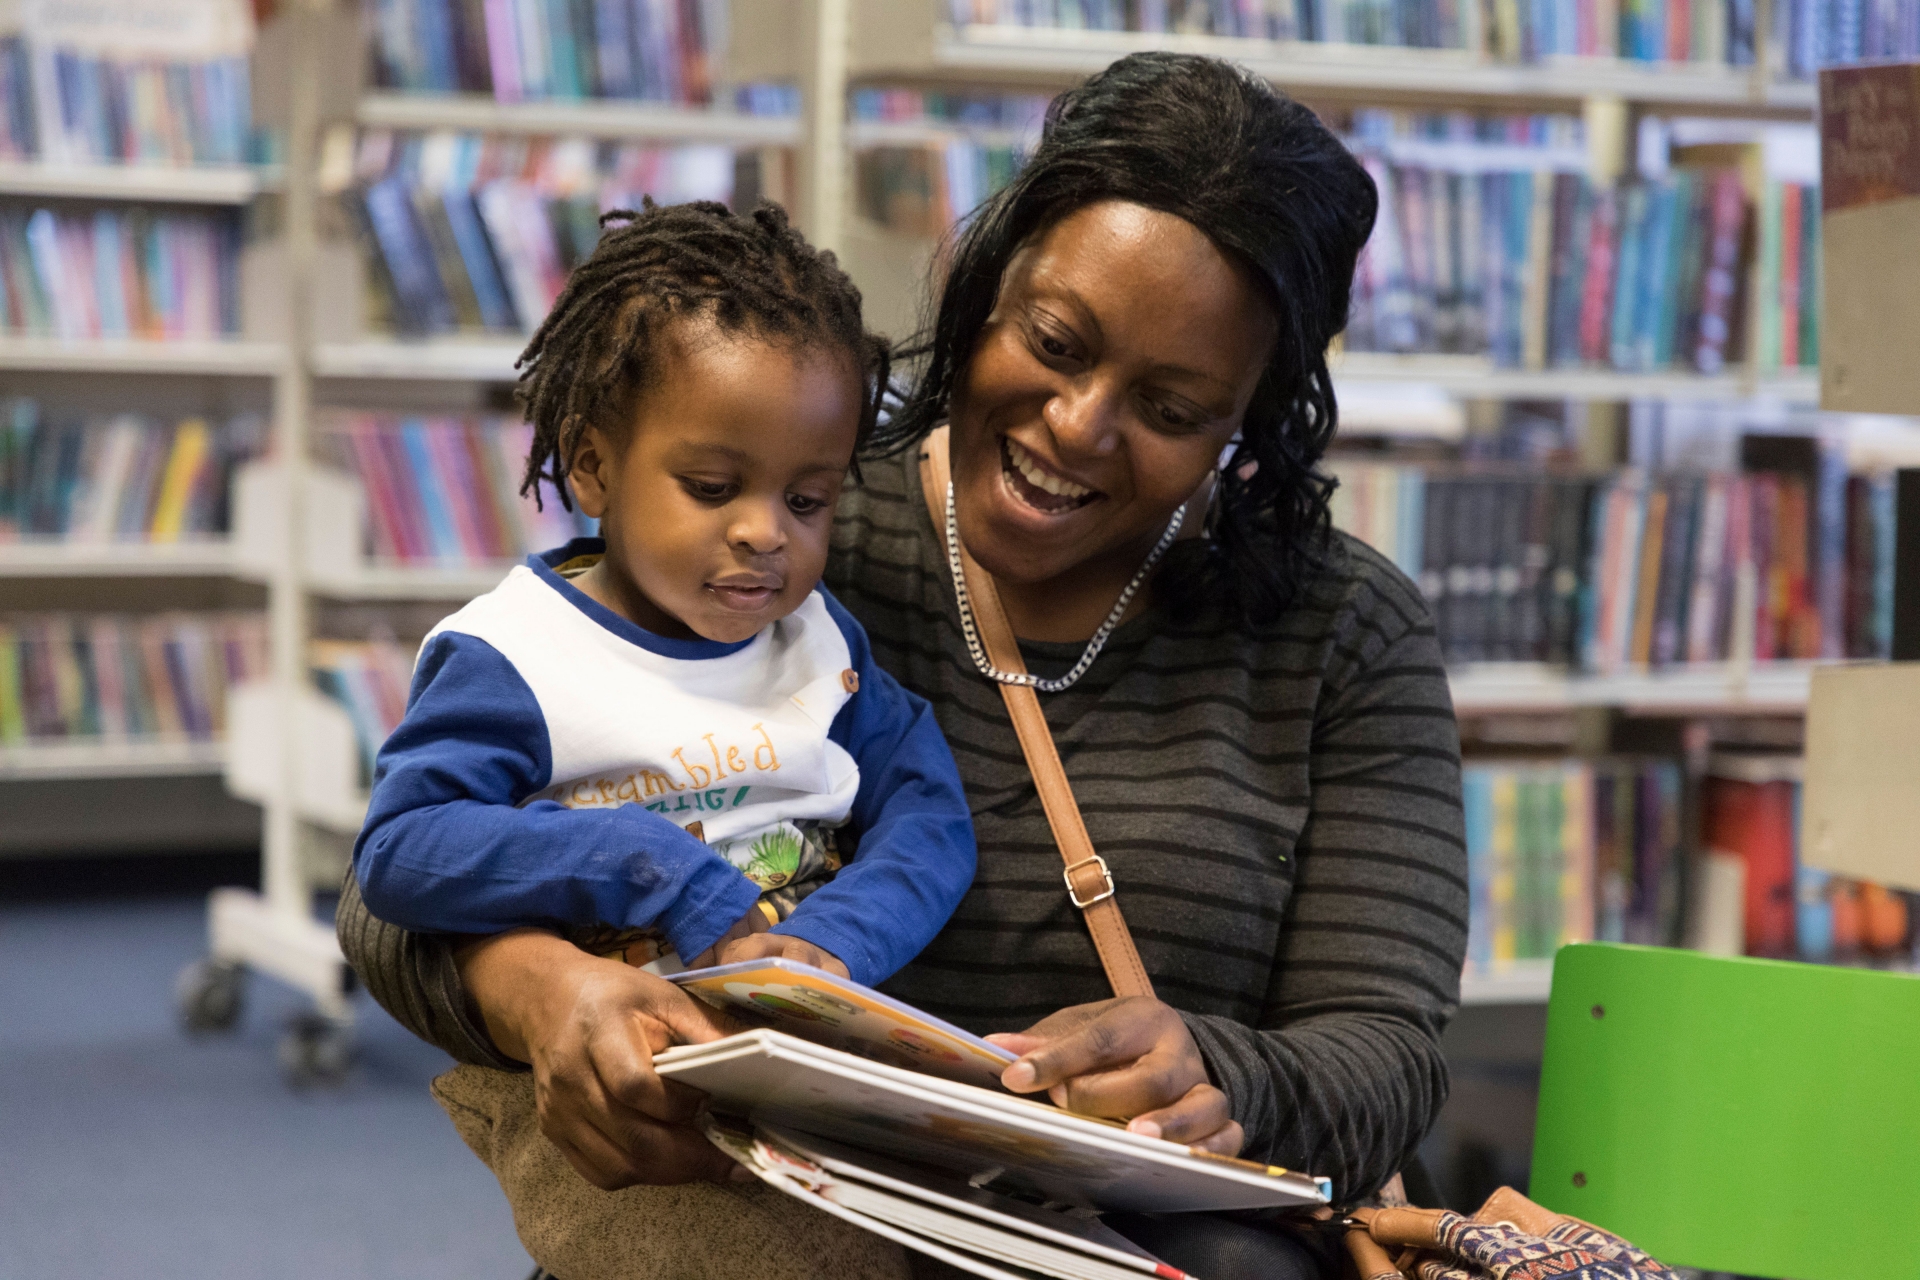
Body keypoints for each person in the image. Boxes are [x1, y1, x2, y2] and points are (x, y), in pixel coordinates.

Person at [338, 53, 1467, 1280]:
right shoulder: (777, 535)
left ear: (1252, 418)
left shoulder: (1344, 630)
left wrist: (1217, 1068)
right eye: (1054, 340)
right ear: (985, 288)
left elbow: (1386, 1056)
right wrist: (541, 987)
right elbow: (391, 890)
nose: (1079, 424)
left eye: (1174, 406)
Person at [352, 200, 977, 993]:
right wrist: (647, 865)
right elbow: (402, 850)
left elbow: (931, 817)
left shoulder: (821, 641)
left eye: (809, 500)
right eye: (713, 487)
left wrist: (836, 939)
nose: (765, 532)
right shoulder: (516, 655)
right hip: (606, 1063)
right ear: (593, 468)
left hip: (801, 1046)